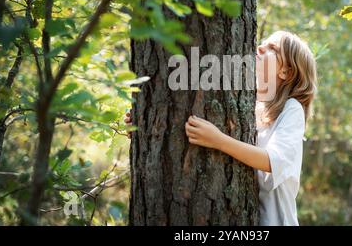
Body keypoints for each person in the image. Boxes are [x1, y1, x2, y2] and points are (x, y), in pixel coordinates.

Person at [125, 31, 317, 226]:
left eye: (272, 49)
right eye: (263, 43)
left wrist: (218, 140)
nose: (259, 47)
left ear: (286, 72)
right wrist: (149, 124)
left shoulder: (292, 108)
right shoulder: (252, 105)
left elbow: (272, 161)